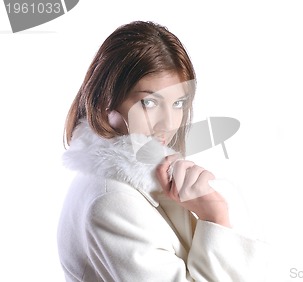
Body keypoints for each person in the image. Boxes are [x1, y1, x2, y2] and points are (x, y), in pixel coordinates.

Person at [57, 21, 267, 281]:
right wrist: (215, 216)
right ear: (104, 101)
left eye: (178, 103)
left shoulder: (140, 185)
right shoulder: (112, 200)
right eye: (149, 102)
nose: (168, 122)